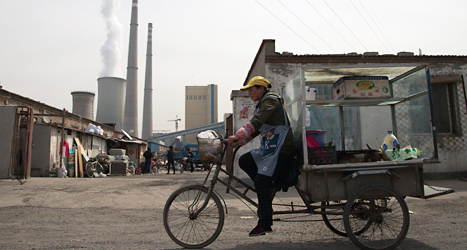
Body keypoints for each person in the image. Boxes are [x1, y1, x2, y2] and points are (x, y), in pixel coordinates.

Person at [227, 76, 296, 237]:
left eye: (252, 89)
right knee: (245, 160)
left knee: (260, 181)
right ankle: (268, 186)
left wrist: (237, 135)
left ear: (261, 89)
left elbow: (257, 122)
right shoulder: (262, 103)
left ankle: (264, 223)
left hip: (283, 149)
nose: (249, 92)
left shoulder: (270, 101)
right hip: (270, 148)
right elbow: (259, 129)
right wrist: (240, 142)